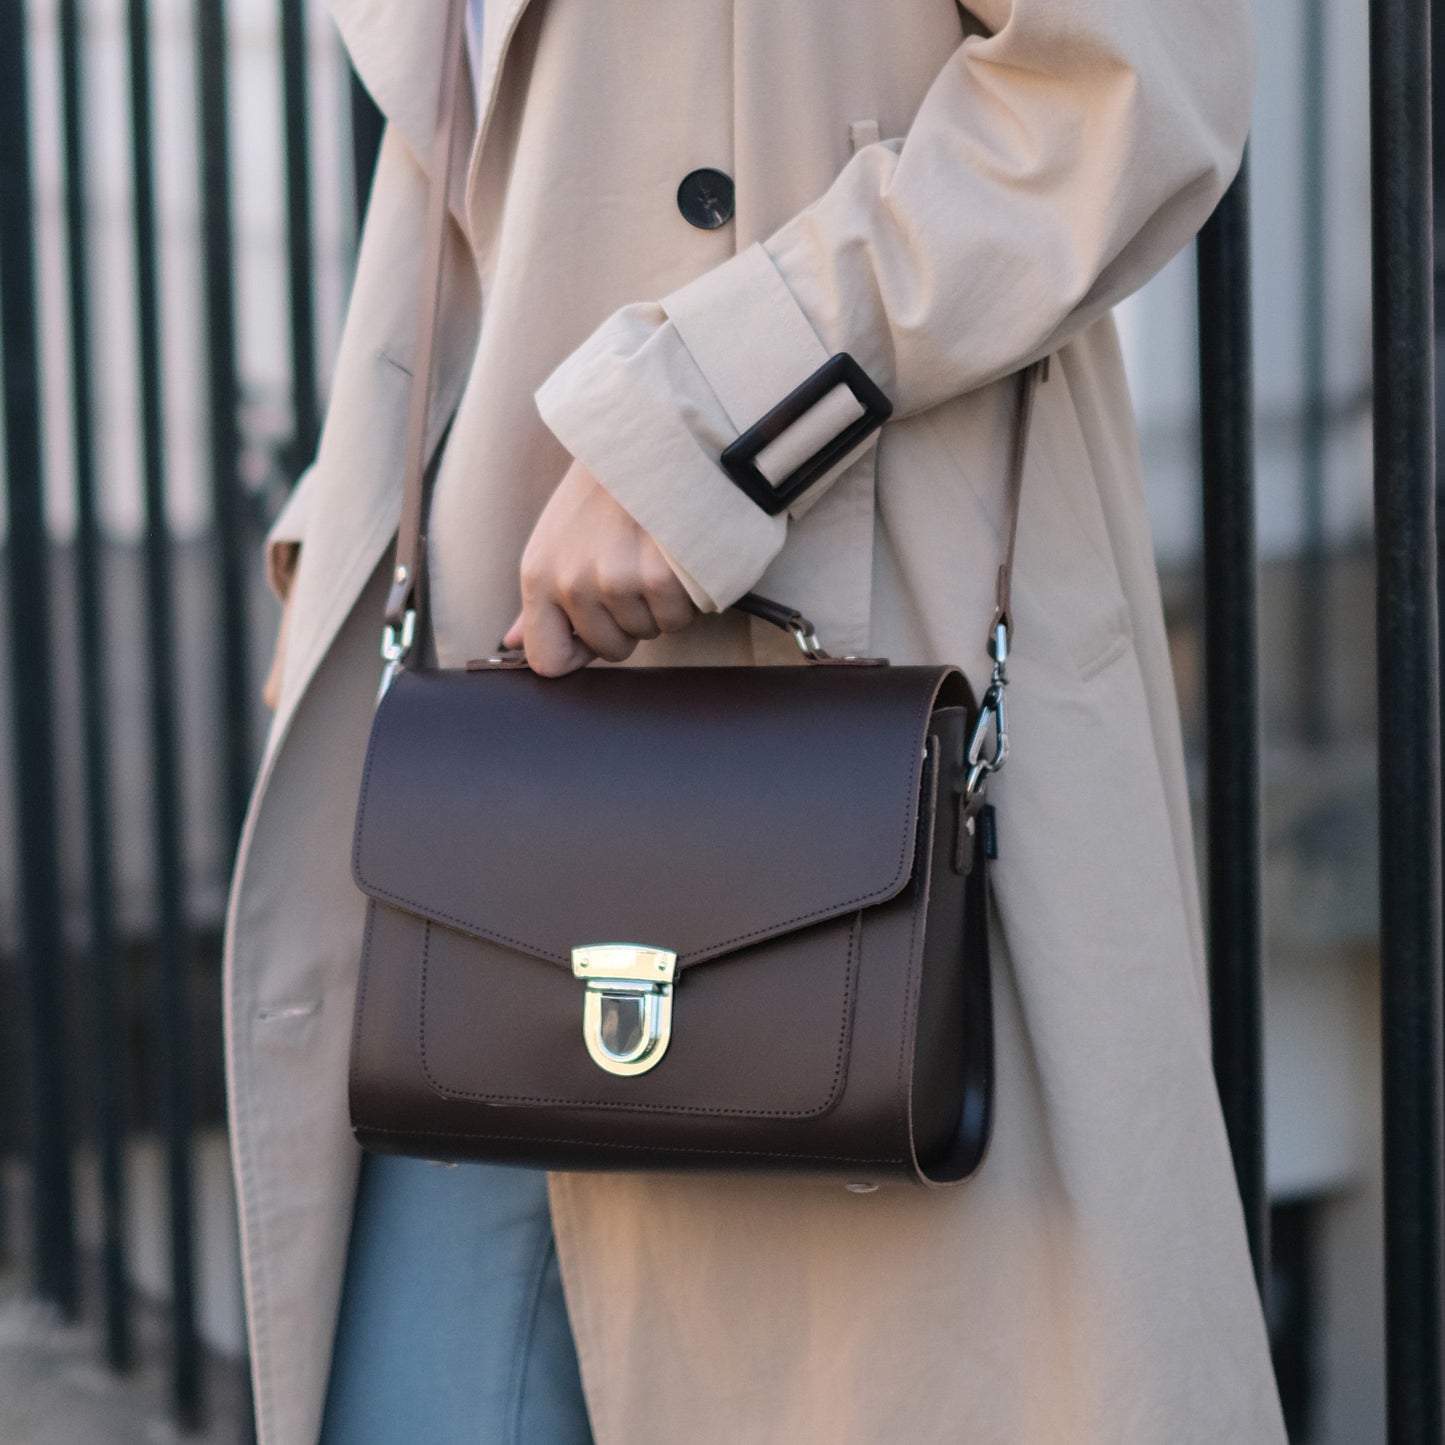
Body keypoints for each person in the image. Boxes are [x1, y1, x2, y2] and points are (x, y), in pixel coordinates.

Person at [230, 1, 1288, 1442]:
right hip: (487, 760)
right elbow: (473, 167)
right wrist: (341, 547)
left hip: (841, 730)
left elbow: (1130, 82)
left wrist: (722, 410)